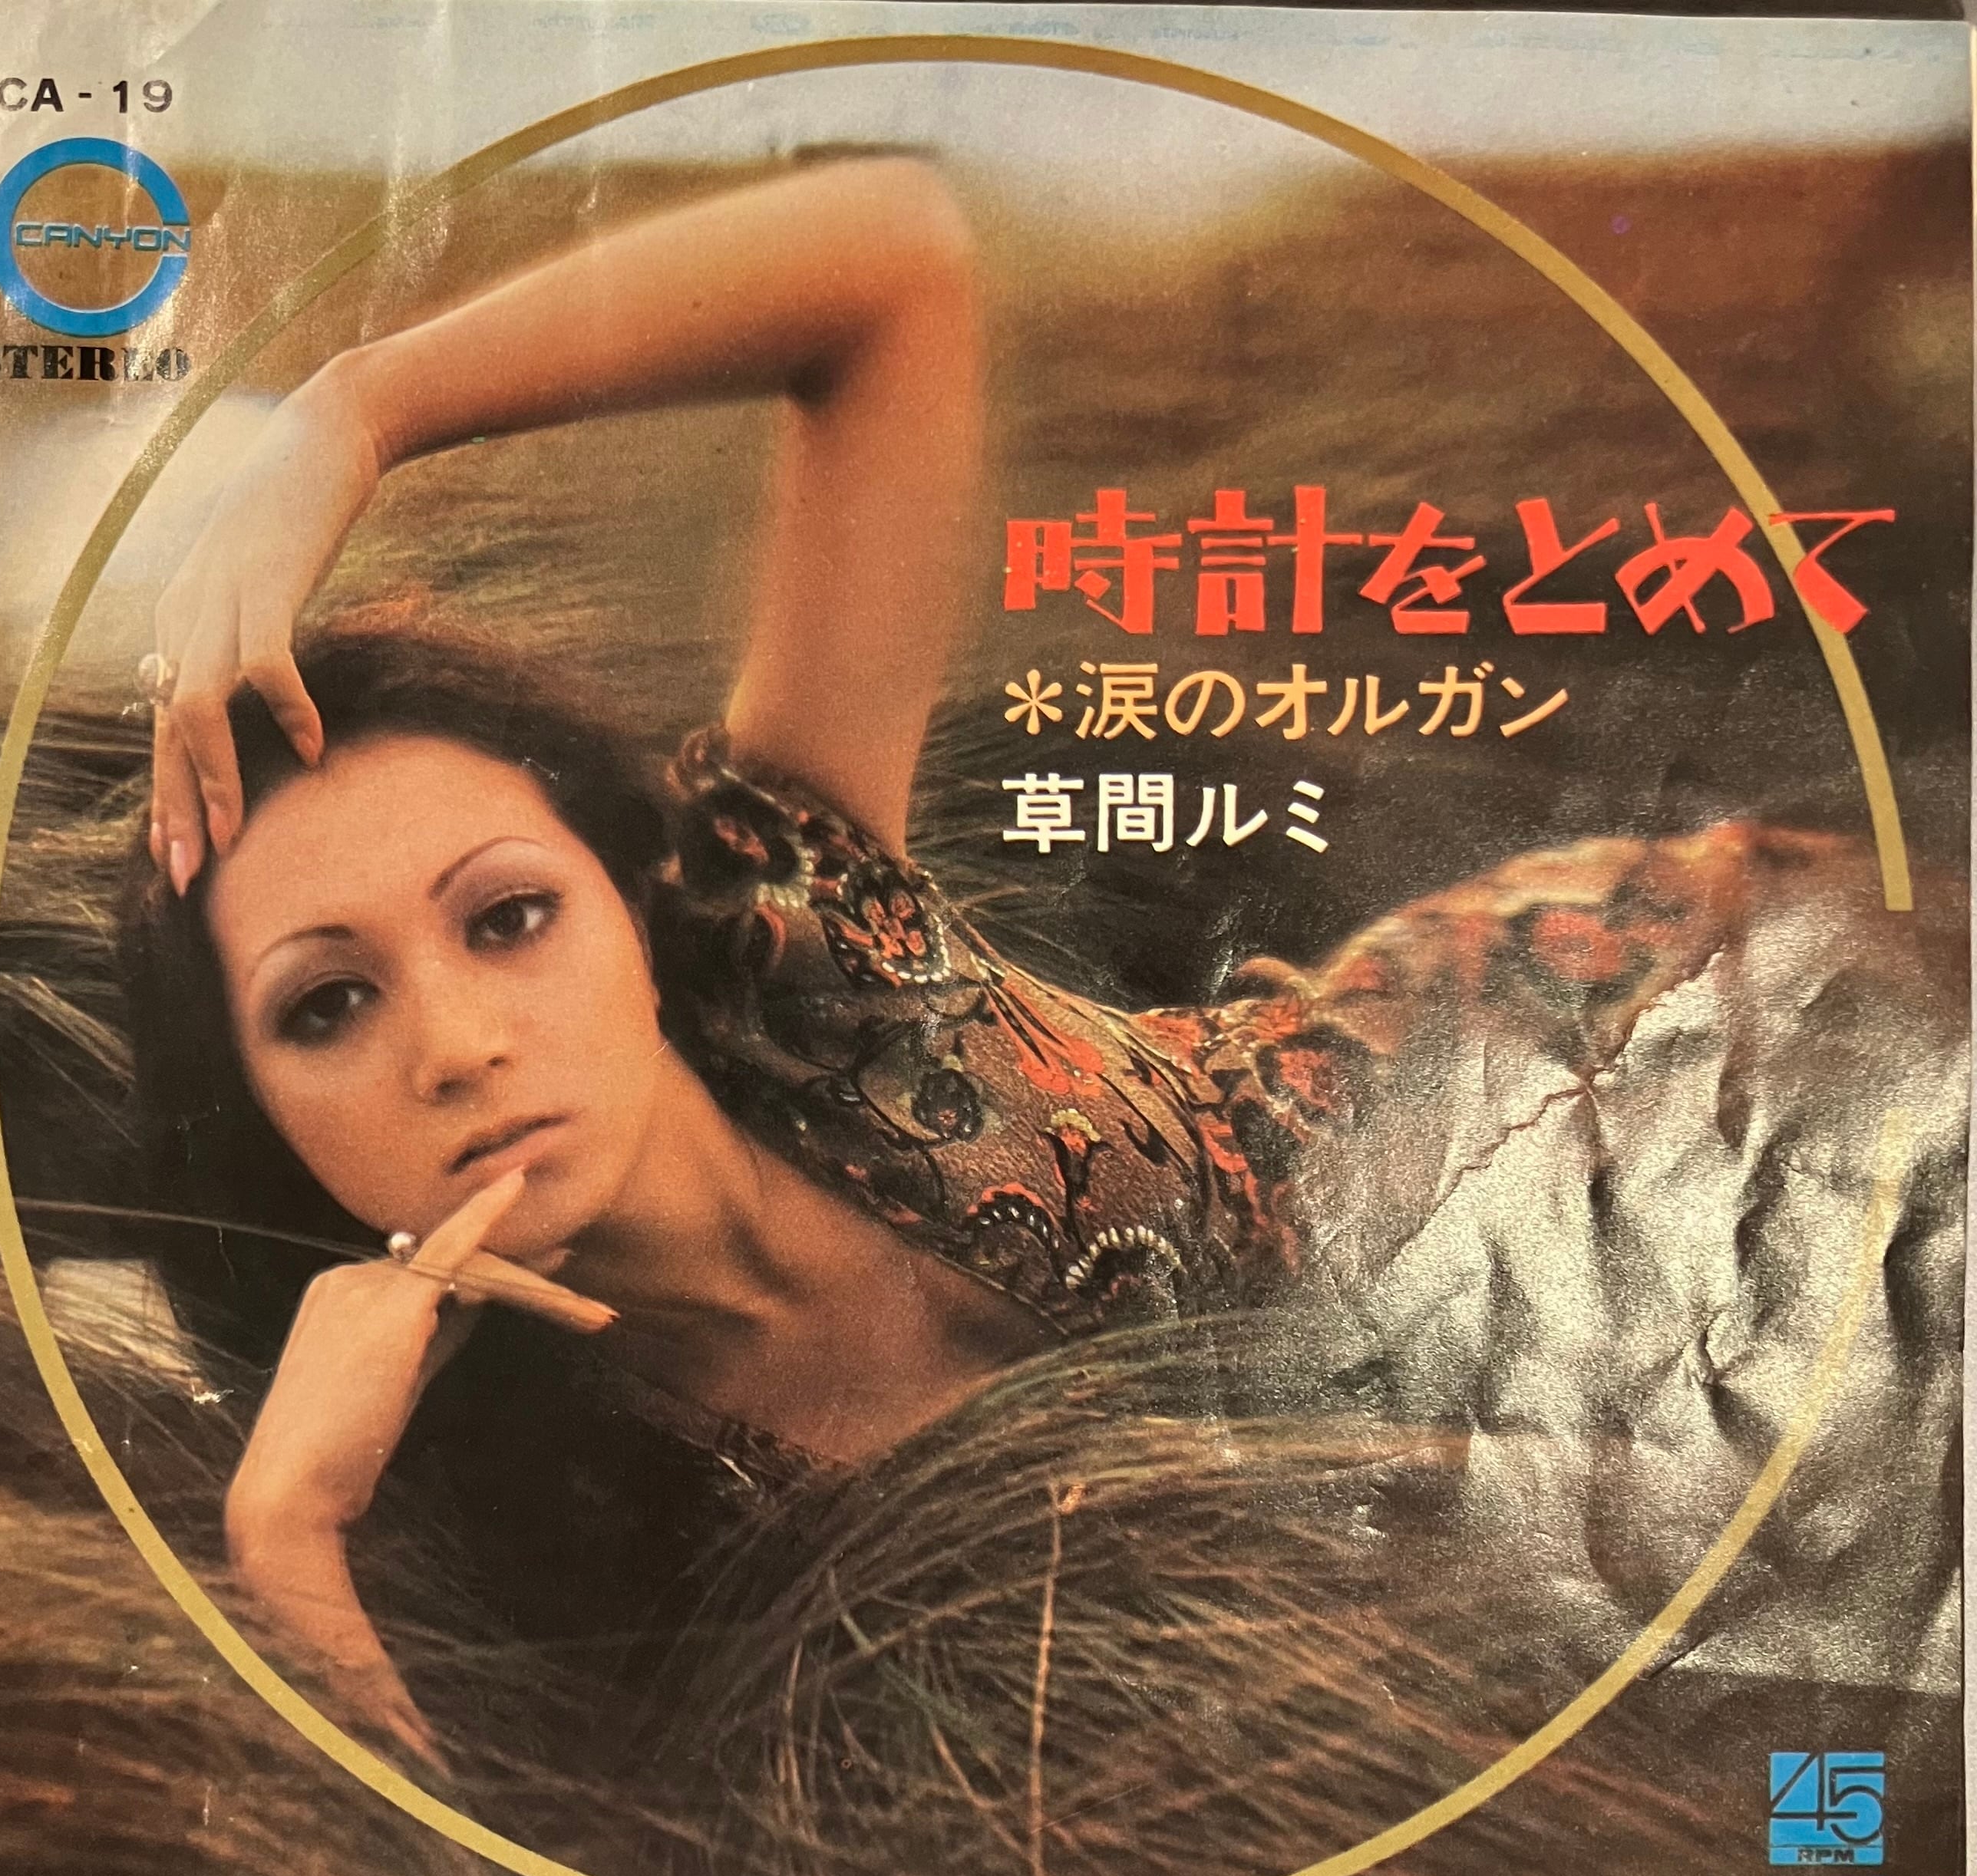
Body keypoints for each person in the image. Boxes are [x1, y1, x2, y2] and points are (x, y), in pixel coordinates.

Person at [120, 156, 1957, 1769]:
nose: (454, 1042)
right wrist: (290, 1544)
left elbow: (889, 254)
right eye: (326, 1006)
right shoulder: (506, 1501)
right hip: (1570, 1530)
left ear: (621, 909)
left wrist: (354, 409)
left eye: (507, 916)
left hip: (1612, 1051)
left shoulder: (787, 935)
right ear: (258, 1115)